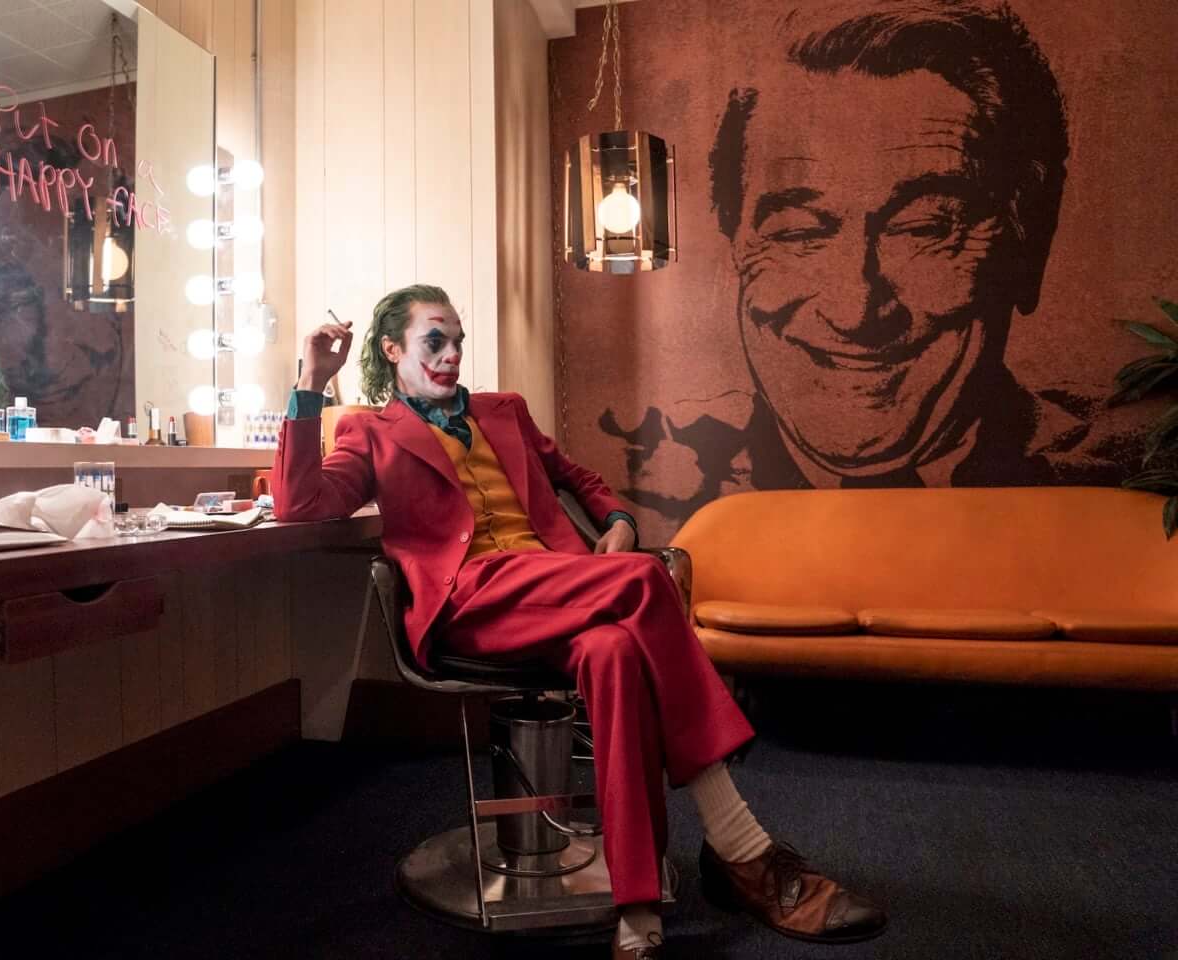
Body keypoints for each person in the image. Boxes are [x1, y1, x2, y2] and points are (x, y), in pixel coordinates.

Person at [274, 284, 886, 958]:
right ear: (393, 349)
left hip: (554, 587)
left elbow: (579, 478)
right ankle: (742, 847)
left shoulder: (505, 410)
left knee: (614, 650)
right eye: (434, 342)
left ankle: (638, 907)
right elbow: (301, 503)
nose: (451, 356)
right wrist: (311, 382)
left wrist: (618, 520)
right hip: (469, 602)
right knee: (645, 579)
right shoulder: (367, 430)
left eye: (457, 342)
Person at [601, 0, 1128, 528]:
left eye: (923, 228)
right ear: (735, 244)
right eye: (799, 233)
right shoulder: (651, 476)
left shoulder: (1113, 482)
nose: (855, 310)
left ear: (1027, 245)